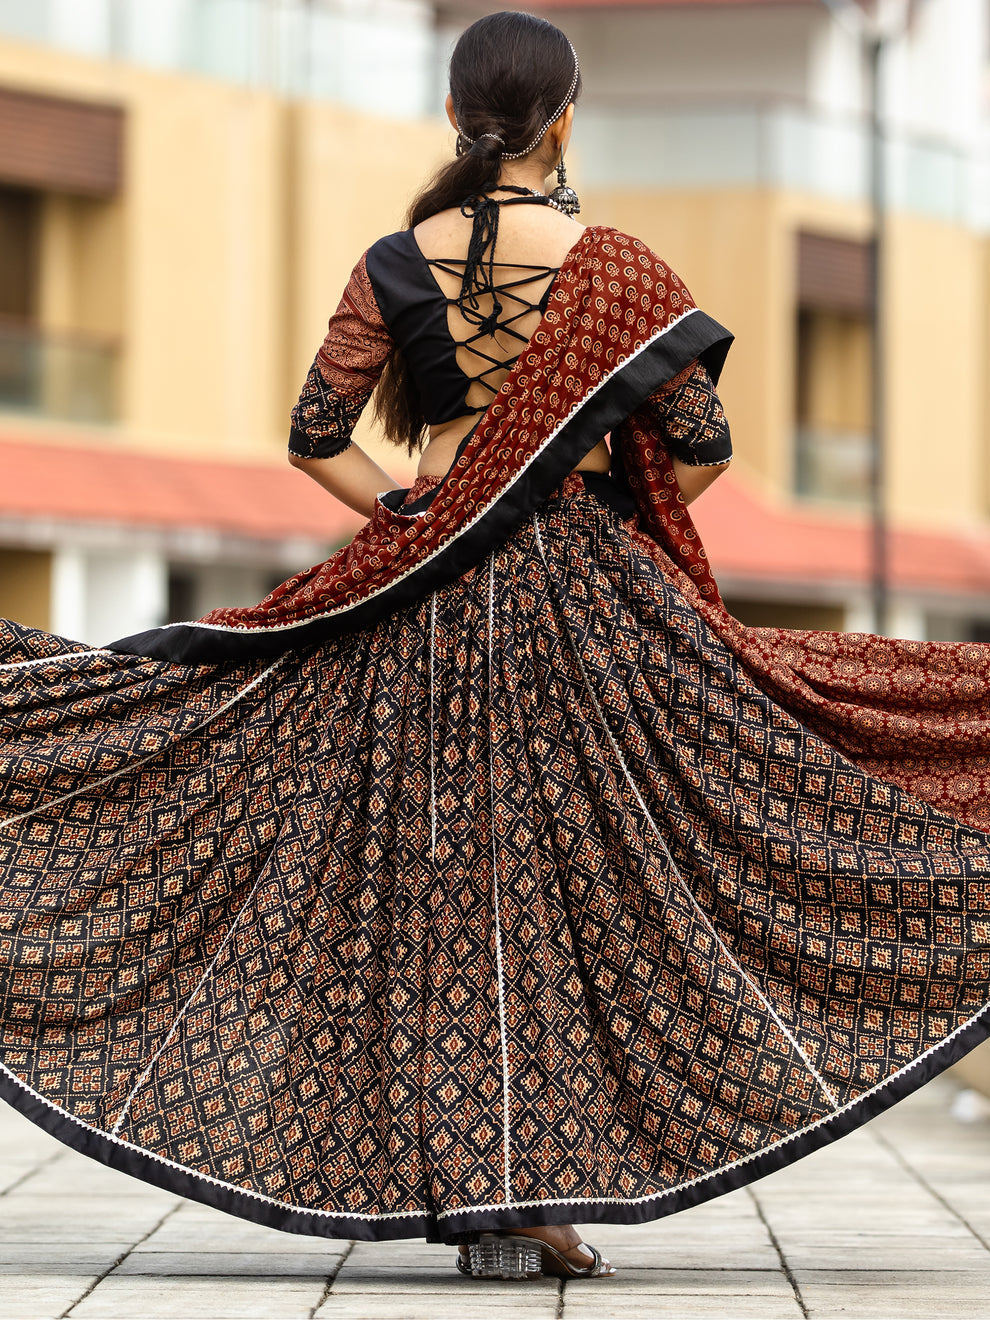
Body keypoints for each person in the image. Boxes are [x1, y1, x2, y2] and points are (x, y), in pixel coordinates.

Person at [2, 8, 990, 1288]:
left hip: (417, 602)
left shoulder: (392, 261)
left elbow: (315, 436)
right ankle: (520, 1196)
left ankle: (481, 1194)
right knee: (595, 878)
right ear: (564, 118)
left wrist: (417, 514)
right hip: (581, 601)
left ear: (455, 116)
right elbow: (701, 447)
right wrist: (591, 511)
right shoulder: (620, 272)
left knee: (437, 893)